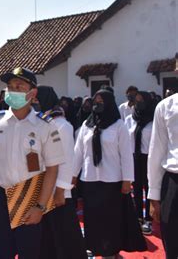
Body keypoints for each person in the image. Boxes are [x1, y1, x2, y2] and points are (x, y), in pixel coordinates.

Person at [0, 67, 65, 259]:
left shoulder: (45, 126)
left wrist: (41, 206)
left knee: (30, 251)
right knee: (2, 251)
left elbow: (52, 169)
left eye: (19, 86)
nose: (13, 90)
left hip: (30, 196)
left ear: (32, 93)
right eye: (10, 86)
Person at [73, 89, 146, 258]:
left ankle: (110, 250)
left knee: (110, 218)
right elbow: (78, 152)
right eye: (95, 101)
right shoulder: (87, 125)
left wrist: (127, 180)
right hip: (90, 179)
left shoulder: (118, 125)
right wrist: (73, 175)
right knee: (93, 217)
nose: (98, 104)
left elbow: (126, 155)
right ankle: (95, 247)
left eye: (101, 101)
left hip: (112, 180)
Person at [33, 86, 87, 259]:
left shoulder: (62, 125)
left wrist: (61, 190)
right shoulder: (39, 122)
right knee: (46, 233)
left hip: (57, 190)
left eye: (36, 100)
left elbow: (67, 161)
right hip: (40, 185)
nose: (34, 103)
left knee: (63, 233)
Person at [147, 91, 178, 259]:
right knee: (173, 244)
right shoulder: (166, 106)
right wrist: (153, 195)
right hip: (174, 183)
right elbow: (156, 152)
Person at [124, 91, 156, 235]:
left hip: (149, 157)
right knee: (136, 187)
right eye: (137, 101)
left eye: (142, 100)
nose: (139, 103)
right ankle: (138, 217)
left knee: (148, 187)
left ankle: (148, 218)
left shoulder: (154, 119)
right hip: (134, 157)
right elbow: (125, 140)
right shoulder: (130, 119)